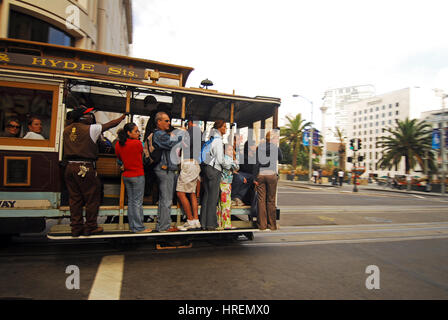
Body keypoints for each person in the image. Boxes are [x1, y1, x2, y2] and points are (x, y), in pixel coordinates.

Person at [63, 105, 125, 237]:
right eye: (89, 114)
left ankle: (76, 228)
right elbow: (110, 124)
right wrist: (122, 117)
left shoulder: (66, 130)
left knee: (75, 199)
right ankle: (90, 227)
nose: (91, 116)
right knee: (92, 197)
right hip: (85, 167)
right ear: (83, 117)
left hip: (69, 167)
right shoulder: (91, 129)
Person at [115, 123, 152, 233]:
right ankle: (139, 227)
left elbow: (119, 159)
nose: (138, 133)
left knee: (131, 202)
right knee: (137, 203)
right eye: (136, 131)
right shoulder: (138, 144)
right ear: (128, 133)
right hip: (137, 175)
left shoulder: (118, 144)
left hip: (126, 175)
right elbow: (144, 158)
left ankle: (134, 226)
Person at [152, 111, 183, 232]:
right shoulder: (159, 134)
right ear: (158, 122)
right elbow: (171, 143)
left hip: (165, 169)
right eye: (166, 121)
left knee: (164, 198)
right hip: (164, 169)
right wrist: (182, 135)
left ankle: (162, 224)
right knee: (166, 199)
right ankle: (164, 227)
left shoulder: (162, 133)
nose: (169, 123)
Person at [200, 120, 229, 231]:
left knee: (207, 197)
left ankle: (204, 223)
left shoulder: (210, 140)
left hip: (207, 169)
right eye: (224, 127)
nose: (226, 129)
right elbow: (221, 159)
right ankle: (211, 224)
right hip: (215, 170)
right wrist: (228, 166)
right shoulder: (218, 141)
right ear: (219, 128)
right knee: (213, 198)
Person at [176, 117, 202, 231]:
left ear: (190, 123)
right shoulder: (200, 132)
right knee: (192, 193)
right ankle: (196, 220)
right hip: (195, 164)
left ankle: (190, 220)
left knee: (180, 193)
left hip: (188, 164)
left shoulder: (190, 131)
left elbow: (184, 145)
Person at [254, 130, 283, 231]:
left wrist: (254, 178)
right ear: (272, 139)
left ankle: (262, 225)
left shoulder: (260, 147)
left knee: (261, 200)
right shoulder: (276, 147)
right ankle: (272, 225)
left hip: (261, 174)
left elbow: (256, 163)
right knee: (271, 200)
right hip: (271, 175)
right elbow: (281, 158)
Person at [217, 144, 239, 230]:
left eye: (232, 149)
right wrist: (235, 158)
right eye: (229, 150)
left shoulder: (225, 159)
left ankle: (220, 223)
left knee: (221, 204)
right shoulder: (227, 159)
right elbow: (236, 167)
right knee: (226, 204)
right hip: (225, 184)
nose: (231, 151)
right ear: (225, 151)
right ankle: (226, 224)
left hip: (223, 183)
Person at [231, 139, 257, 206]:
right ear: (250, 147)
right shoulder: (242, 156)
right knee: (240, 178)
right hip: (240, 173)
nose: (255, 146)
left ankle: (238, 197)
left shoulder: (256, 156)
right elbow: (240, 168)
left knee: (251, 179)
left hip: (250, 175)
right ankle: (233, 197)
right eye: (254, 145)